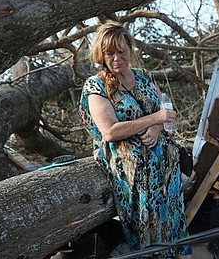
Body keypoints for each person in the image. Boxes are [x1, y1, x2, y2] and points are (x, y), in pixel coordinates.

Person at [79, 21, 191, 259]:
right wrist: (154, 118)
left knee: (173, 222)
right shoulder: (96, 85)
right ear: (101, 54)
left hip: (166, 166)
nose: (117, 58)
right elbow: (110, 131)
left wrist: (158, 126)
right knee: (146, 230)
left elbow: (167, 113)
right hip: (132, 170)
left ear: (131, 49)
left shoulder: (144, 77)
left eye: (122, 51)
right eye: (110, 53)